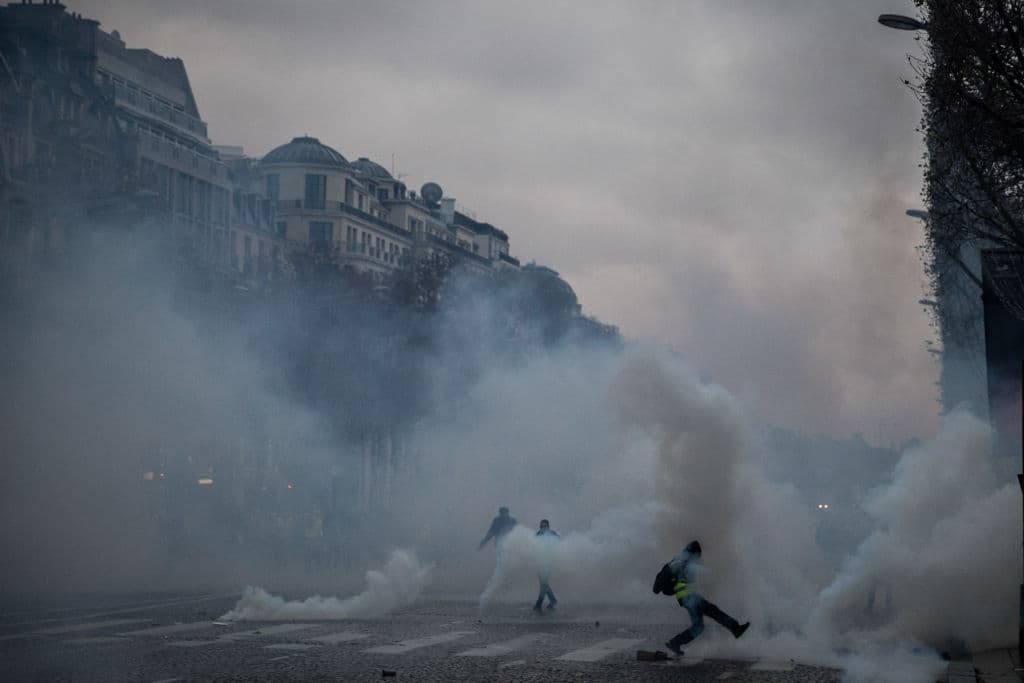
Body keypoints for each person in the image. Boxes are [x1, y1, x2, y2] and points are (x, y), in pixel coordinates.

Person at [662, 540, 749, 657]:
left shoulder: (678, 561)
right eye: (698, 554)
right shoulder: (685, 562)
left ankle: (675, 643)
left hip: (686, 598)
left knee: (698, 627)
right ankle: (736, 629)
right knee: (714, 611)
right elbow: (700, 573)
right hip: (689, 597)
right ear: (693, 552)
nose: (698, 556)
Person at [532, 519, 559, 613]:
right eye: (541, 526)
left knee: (544, 584)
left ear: (548, 526)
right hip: (540, 563)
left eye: (545, 526)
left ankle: (538, 604)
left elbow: (559, 545)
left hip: (548, 563)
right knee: (544, 584)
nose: (543, 528)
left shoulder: (553, 534)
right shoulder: (538, 534)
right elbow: (533, 547)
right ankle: (553, 601)